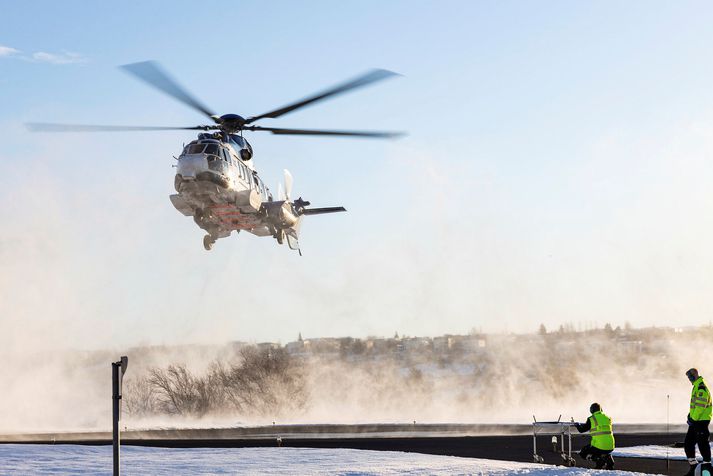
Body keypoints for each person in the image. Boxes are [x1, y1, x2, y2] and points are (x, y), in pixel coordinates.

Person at [684, 368, 712, 476]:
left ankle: (707, 471)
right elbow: (695, 407)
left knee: (702, 445)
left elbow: (700, 407)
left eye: (690, 377)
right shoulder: (696, 387)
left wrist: (692, 418)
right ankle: (694, 468)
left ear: (694, 375)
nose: (689, 379)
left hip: (701, 422)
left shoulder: (701, 388)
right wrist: (690, 416)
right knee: (688, 443)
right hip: (695, 421)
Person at [575, 402, 615, 470]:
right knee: (597, 450)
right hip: (611, 446)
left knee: (583, 452)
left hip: (599, 446)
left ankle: (599, 461)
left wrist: (577, 425)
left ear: (592, 410)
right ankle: (608, 459)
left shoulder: (591, 419)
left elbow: (582, 430)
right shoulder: (608, 418)